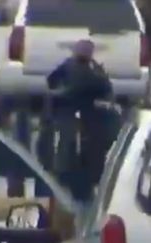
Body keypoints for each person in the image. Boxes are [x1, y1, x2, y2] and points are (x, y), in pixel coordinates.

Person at [43, 39, 114, 199]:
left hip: (81, 113)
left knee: (75, 145)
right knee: (67, 145)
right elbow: (52, 82)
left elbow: (105, 89)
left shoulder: (82, 69)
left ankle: (68, 174)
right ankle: (66, 173)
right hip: (73, 111)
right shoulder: (82, 69)